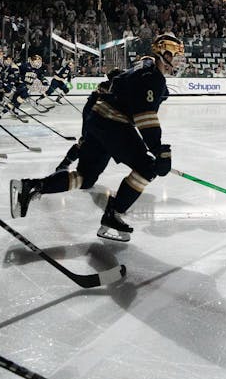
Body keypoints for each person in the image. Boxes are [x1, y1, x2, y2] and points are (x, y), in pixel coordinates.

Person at [9, 34, 183, 242]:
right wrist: (158, 150)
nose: (179, 60)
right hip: (113, 123)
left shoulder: (145, 66)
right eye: (176, 55)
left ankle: (31, 187)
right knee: (147, 167)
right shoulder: (153, 76)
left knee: (85, 177)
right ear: (164, 53)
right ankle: (113, 215)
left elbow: (123, 91)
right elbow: (145, 115)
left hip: (99, 118)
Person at [54, 68, 123, 172]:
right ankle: (65, 164)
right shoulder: (107, 86)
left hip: (93, 112)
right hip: (92, 113)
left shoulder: (109, 85)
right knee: (86, 140)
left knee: (91, 141)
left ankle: (73, 164)